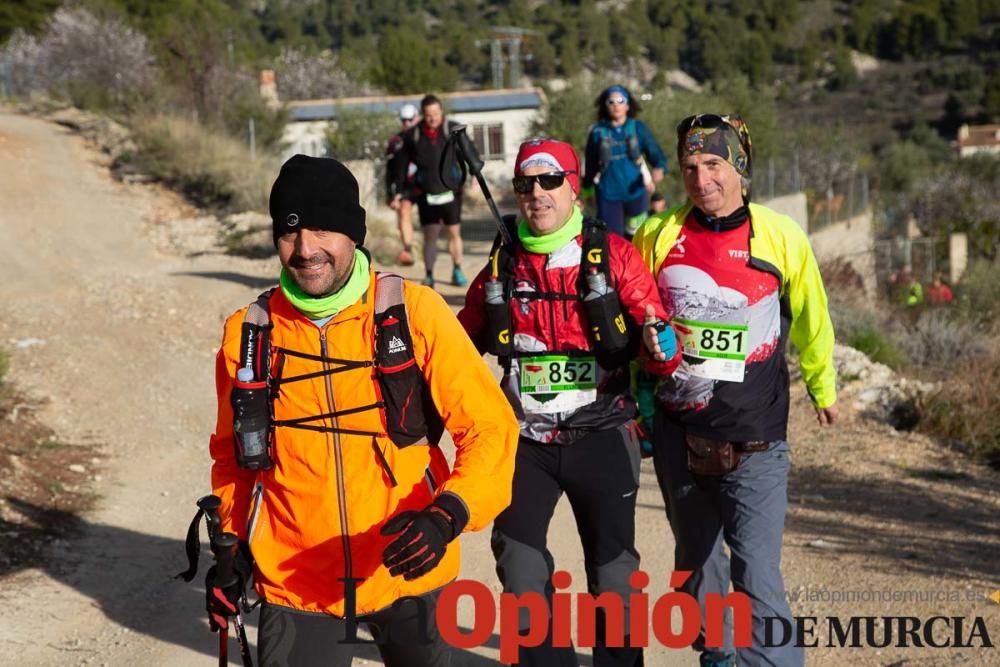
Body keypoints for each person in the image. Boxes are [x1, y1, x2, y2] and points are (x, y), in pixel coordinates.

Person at [206, 155, 518, 666]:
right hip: (295, 580)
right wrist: (232, 542)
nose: (306, 250)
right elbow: (232, 456)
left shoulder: (415, 313)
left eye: (323, 229)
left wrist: (448, 514)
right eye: (289, 233)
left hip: (408, 565)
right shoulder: (248, 332)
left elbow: (489, 427)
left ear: (354, 232)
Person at [458, 138, 681, 667]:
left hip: (603, 430)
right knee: (519, 567)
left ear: (573, 185)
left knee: (613, 575)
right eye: (525, 184)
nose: (536, 194)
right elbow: (458, 349)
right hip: (526, 441)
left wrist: (662, 347)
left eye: (550, 180)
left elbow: (659, 339)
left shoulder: (614, 256)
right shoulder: (501, 265)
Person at [633, 114, 839, 667]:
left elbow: (813, 316)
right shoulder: (658, 235)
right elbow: (637, 317)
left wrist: (823, 384)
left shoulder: (779, 235)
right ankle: (720, 656)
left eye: (715, 165)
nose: (702, 180)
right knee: (697, 565)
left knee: (756, 571)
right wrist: (635, 391)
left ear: (740, 169)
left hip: (756, 438)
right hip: (679, 434)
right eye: (691, 167)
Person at [392, 94, 467, 289]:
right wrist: (398, 192)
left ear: (441, 111)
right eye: (428, 114)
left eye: (436, 112)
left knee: (454, 233)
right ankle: (429, 275)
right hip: (427, 193)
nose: (433, 117)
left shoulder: (452, 130)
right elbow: (401, 165)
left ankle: (457, 269)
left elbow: (468, 152)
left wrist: (474, 174)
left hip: (451, 192)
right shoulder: (413, 136)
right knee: (430, 236)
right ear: (423, 115)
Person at [582, 85, 668, 239]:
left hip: (635, 194)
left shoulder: (637, 128)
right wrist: (587, 191)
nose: (616, 105)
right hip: (608, 195)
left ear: (628, 105)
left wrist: (659, 167)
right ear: (605, 105)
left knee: (638, 237)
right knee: (612, 241)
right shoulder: (597, 132)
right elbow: (589, 164)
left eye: (620, 101)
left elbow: (653, 150)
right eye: (611, 102)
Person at [386, 103, 420, 266]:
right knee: (404, 212)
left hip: (426, 184)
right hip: (405, 187)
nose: (407, 123)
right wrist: (390, 193)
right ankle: (408, 249)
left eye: (410, 119)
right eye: (403, 120)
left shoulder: (425, 137)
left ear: (417, 117)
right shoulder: (395, 141)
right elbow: (389, 169)